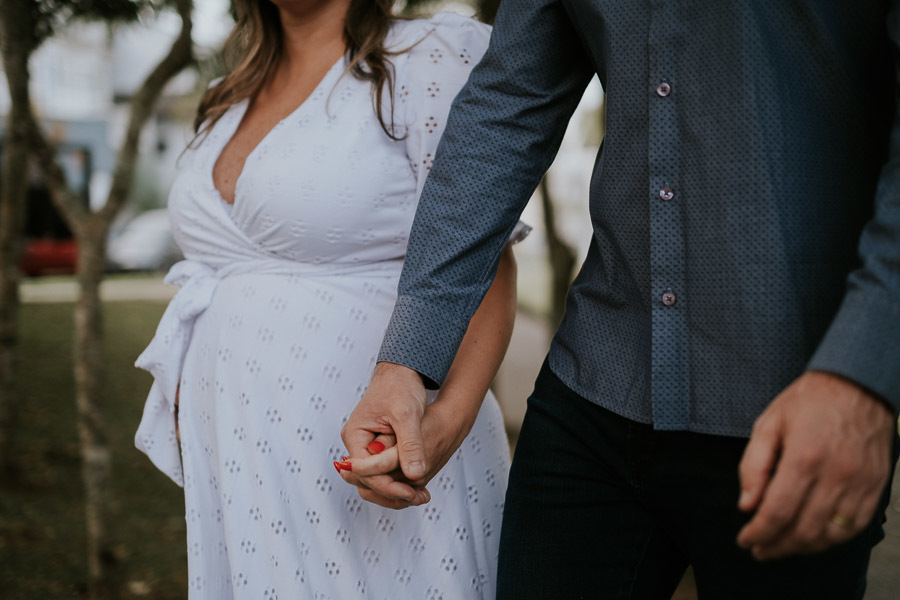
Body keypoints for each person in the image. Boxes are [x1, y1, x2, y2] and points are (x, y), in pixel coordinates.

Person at [340, 1, 900, 598]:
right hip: (596, 383)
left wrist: (860, 377)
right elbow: (507, 109)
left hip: (797, 397)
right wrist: (407, 360)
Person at [133, 1, 526, 597]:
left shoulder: (430, 57)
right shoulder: (226, 95)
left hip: (384, 447)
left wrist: (444, 425)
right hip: (245, 462)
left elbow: (487, 260)